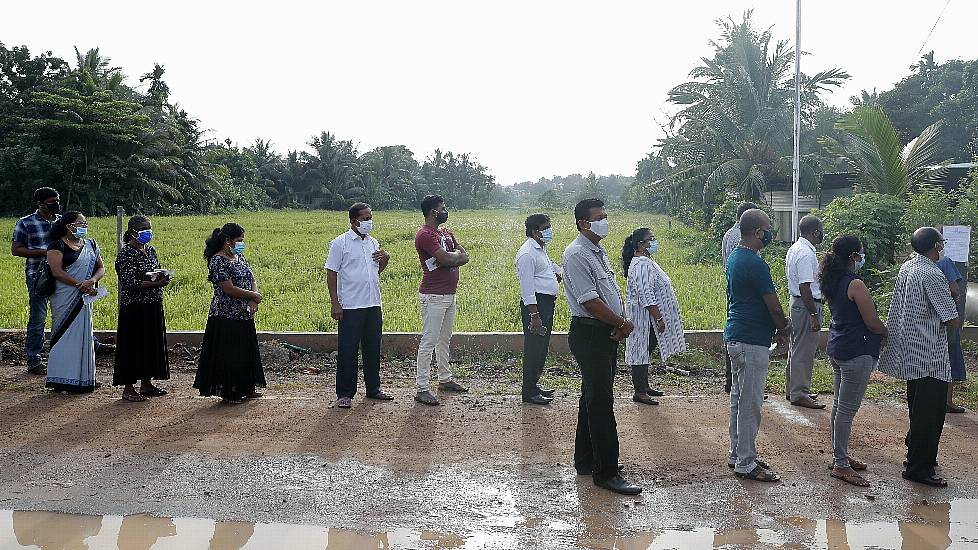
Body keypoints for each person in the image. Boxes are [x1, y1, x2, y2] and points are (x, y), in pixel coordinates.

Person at [563, 198, 641, 495]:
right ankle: (606, 471)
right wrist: (621, 323)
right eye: (600, 217)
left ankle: (586, 459)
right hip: (591, 333)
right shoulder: (577, 254)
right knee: (601, 403)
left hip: (603, 332)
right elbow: (591, 302)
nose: (605, 221)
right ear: (584, 223)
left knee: (592, 398)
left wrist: (617, 324)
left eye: (605, 216)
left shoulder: (597, 251)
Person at [878, 227, 960, 488]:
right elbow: (952, 318)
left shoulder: (909, 267)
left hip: (912, 353)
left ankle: (916, 458)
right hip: (929, 357)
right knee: (931, 415)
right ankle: (918, 468)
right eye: (940, 245)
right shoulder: (932, 274)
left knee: (918, 411)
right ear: (935, 246)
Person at [724, 208, 789, 482]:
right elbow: (772, 304)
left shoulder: (736, 257)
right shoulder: (754, 262)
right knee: (750, 403)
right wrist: (784, 327)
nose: (770, 233)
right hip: (751, 339)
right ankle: (746, 463)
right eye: (767, 229)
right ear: (757, 232)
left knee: (739, 400)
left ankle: (738, 453)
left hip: (738, 335)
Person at [819, 235, 887, 487]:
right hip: (856, 351)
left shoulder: (832, 280)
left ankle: (840, 455)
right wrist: (886, 331)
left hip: (839, 348)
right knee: (847, 409)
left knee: (839, 405)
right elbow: (871, 321)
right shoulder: (855, 284)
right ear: (853, 257)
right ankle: (841, 463)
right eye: (860, 253)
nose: (862, 257)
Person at [326, 203, 393, 408]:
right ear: (353, 221)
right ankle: (345, 393)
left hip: (373, 302)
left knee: (373, 348)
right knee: (348, 349)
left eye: (370, 217)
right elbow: (331, 272)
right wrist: (335, 303)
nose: (369, 222)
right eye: (365, 218)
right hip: (351, 305)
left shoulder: (373, 242)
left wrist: (385, 259)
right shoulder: (340, 243)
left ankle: (373, 388)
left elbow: (375, 271)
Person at [193, 223, 267, 404]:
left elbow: (251, 277)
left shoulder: (238, 256)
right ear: (228, 241)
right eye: (239, 241)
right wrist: (253, 295)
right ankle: (229, 391)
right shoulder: (217, 261)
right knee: (229, 355)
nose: (242, 244)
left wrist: (253, 298)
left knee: (244, 352)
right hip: (225, 315)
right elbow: (228, 289)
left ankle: (246, 388)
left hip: (243, 314)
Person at [414, 195, 470, 406]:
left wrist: (451, 256)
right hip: (434, 296)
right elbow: (448, 258)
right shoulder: (425, 235)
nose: (445, 212)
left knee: (444, 339)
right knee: (429, 340)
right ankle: (422, 388)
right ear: (433, 212)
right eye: (442, 209)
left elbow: (465, 256)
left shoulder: (445, 233)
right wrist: (452, 257)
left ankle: (444, 379)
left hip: (448, 293)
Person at [623, 227, 687, 405]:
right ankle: (640, 392)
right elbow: (646, 294)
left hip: (646, 316)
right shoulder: (642, 263)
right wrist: (659, 318)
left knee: (645, 349)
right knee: (640, 350)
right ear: (640, 244)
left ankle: (644, 386)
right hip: (643, 316)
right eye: (650, 239)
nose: (653, 242)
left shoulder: (645, 261)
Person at [45, 211, 105, 393]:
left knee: (83, 335)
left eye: (85, 223)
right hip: (65, 297)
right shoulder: (57, 245)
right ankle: (61, 378)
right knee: (64, 336)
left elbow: (101, 267)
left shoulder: (91, 245)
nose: (83, 226)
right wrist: (79, 284)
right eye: (80, 223)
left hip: (84, 297)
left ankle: (83, 377)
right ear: (68, 225)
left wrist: (91, 281)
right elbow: (57, 271)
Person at [113, 216, 171, 402]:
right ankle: (128, 388)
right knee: (132, 346)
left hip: (152, 304)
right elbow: (130, 283)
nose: (148, 232)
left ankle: (146, 384)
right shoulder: (126, 254)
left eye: (149, 228)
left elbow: (154, 272)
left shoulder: (150, 250)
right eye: (144, 229)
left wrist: (161, 278)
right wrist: (155, 284)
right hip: (134, 307)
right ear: (132, 232)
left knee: (150, 345)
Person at [10, 187, 62, 374]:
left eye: (57, 200)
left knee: (65, 313)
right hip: (37, 275)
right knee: (38, 318)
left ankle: (63, 354)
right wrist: (44, 252)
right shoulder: (25, 223)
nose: (56, 204)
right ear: (39, 203)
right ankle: (34, 359)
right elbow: (16, 250)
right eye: (51, 202)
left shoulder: (61, 222)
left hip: (60, 273)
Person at [515, 213, 562, 406]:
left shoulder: (540, 249)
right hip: (536, 306)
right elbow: (526, 288)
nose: (549, 231)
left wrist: (558, 274)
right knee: (534, 348)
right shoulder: (527, 253)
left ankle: (534, 385)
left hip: (546, 303)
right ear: (535, 231)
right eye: (546, 228)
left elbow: (550, 269)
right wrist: (534, 315)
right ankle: (529, 392)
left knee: (541, 348)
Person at [785, 215, 826, 409]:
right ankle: (799, 392)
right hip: (805, 304)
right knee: (804, 350)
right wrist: (813, 315)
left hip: (799, 304)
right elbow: (805, 287)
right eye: (821, 230)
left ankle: (793, 389)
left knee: (796, 347)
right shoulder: (805, 253)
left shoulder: (796, 248)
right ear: (815, 232)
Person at [721, 202, 756, 393]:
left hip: (732, 288)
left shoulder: (728, 234)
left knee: (733, 330)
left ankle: (731, 380)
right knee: (742, 333)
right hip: (743, 292)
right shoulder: (741, 238)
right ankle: (738, 381)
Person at [935, 253, 967, 414]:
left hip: (930, 320)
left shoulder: (915, 263)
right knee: (950, 355)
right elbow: (954, 288)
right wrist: (956, 296)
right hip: (946, 316)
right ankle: (947, 401)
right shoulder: (945, 261)